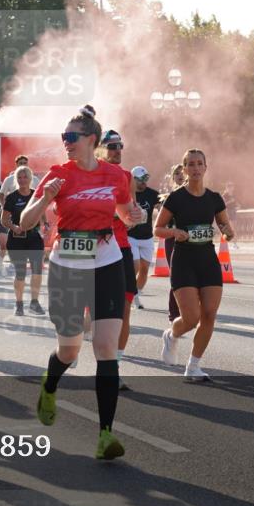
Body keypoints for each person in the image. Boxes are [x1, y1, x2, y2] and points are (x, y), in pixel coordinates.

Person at [19, 105, 142, 460]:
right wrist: (44, 198)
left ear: (92, 140)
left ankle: (106, 435)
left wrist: (134, 216)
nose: (66, 143)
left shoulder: (115, 175)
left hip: (106, 260)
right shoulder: (58, 174)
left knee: (105, 347)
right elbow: (27, 223)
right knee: (70, 350)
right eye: (63, 138)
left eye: (71, 138)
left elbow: (125, 214)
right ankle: (50, 383)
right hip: (67, 264)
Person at [155, 149, 236, 382]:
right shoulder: (176, 198)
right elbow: (157, 229)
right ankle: (171, 335)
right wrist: (175, 232)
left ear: (206, 167)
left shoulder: (214, 198)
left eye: (200, 164)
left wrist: (228, 233)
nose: (196, 168)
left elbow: (226, 228)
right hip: (183, 261)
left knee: (209, 315)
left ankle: (193, 366)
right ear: (185, 169)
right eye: (191, 164)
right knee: (191, 318)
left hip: (208, 260)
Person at [99, 130, 140, 386]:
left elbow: (131, 216)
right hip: (93, 249)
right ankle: (67, 351)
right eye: (112, 146)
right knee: (92, 315)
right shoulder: (88, 175)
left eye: (120, 146)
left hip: (121, 247)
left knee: (124, 311)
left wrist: (135, 216)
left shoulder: (127, 177)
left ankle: (114, 368)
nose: (117, 150)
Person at [1, 165, 47, 316]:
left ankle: (34, 302)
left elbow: (42, 214)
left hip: (34, 238)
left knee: (37, 271)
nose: (22, 180)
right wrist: (14, 227)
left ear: (30, 178)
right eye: (19, 178)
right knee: (20, 273)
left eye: (25, 177)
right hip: (17, 239)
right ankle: (19, 304)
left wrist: (45, 225)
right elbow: (4, 219)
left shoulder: (36, 195)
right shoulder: (12, 197)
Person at [128, 166, 159, 310]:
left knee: (145, 269)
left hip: (147, 237)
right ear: (133, 180)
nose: (144, 182)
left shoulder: (153, 194)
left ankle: (136, 294)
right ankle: (127, 291)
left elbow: (166, 204)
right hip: (131, 236)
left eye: (146, 179)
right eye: (141, 180)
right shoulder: (128, 194)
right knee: (135, 266)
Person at [162, 164, 186, 321]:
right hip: (172, 240)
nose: (180, 176)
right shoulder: (168, 197)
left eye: (182, 173)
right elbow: (159, 226)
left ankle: (188, 309)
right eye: (176, 173)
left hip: (190, 240)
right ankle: (174, 313)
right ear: (172, 177)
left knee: (192, 276)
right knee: (177, 276)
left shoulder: (195, 194)